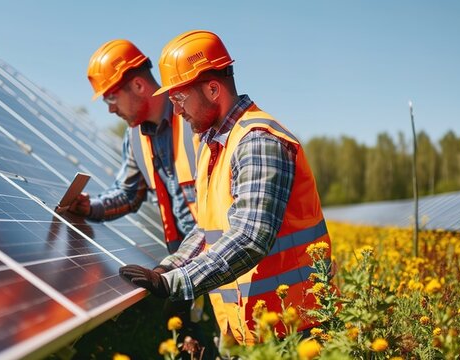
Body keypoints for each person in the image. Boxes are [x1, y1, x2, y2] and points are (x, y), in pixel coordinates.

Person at [119, 30, 332, 346]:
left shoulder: (257, 141)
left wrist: (177, 283)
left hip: (297, 330)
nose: (176, 111)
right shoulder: (212, 145)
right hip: (254, 330)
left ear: (213, 89)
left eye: (179, 98)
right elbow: (208, 228)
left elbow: (250, 237)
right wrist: (169, 268)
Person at [62, 39, 199, 254]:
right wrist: (91, 207)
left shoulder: (195, 120)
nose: (111, 110)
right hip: (186, 259)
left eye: (111, 99)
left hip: (225, 257)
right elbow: (129, 194)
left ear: (138, 86)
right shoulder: (136, 137)